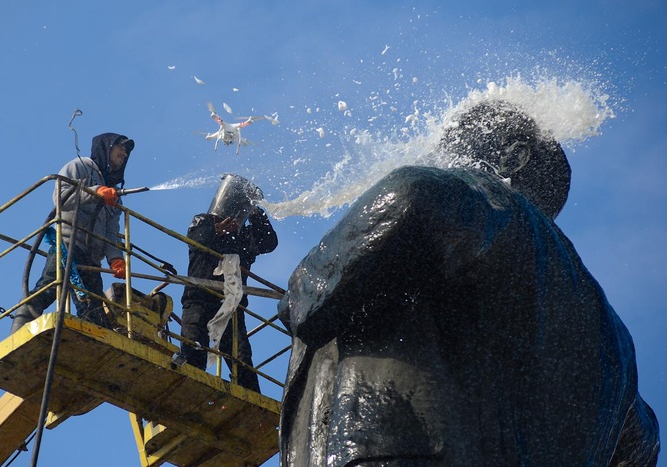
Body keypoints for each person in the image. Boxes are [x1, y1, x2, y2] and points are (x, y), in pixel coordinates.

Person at [277, 102, 660, 466]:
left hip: (394, 451)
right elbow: (643, 443)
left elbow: (412, 192)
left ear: (514, 156)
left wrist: (306, 291)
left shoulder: (487, 198)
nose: (442, 149)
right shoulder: (614, 339)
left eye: (460, 137)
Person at [11, 133, 134, 333]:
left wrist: (115, 259)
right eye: (120, 147)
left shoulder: (114, 195)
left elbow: (111, 231)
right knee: (49, 287)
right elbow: (60, 197)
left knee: (94, 308)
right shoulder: (81, 167)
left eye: (127, 151)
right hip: (69, 246)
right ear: (107, 147)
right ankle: (18, 331)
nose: (125, 153)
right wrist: (94, 191)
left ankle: (97, 343)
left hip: (92, 258)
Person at [180, 174, 278, 393]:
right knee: (194, 344)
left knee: (241, 358)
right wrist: (217, 230)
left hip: (232, 307)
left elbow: (270, 242)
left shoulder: (244, 237)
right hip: (200, 298)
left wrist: (256, 212)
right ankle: (189, 390)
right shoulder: (203, 221)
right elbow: (197, 239)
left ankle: (251, 400)